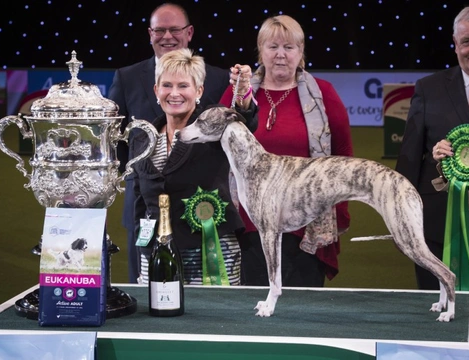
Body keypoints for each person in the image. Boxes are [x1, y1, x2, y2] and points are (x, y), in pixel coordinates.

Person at [220, 14, 353, 287]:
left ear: (301, 52)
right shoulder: (236, 95)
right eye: (273, 47)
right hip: (250, 223)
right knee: (256, 302)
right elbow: (219, 152)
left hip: (307, 221)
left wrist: (337, 208)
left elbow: (342, 157)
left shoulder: (325, 94)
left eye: (289, 47)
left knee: (303, 309)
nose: (281, 55)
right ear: (261, 51)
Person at [107, 3, 230, 283]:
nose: (167, 36)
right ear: (150, 34)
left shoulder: (218, 78)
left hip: (203, 215)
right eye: (159, 30)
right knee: (148, 293)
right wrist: (138, 176)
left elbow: (237, 125)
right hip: (145, 211)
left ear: (189, 33)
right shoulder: (126, 77)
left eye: (174, 30)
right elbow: (117, 139)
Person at [130, 48, 257, 285]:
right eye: (166, 85)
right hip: (157, 255)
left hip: (212, 255)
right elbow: (140, 204)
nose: (174, 93)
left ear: (198, 91)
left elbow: (244, 118)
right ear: (156, 91)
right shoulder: (142, 139)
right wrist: (143, 247)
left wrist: (243, 93)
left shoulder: (212, 127)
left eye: (183, 86)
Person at [396, 5, 469, 290]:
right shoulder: (428, 88)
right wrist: (403, 221)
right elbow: (408, 159)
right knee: (437, 317)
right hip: (441, 229)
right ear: (455, 44)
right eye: (467, 41)